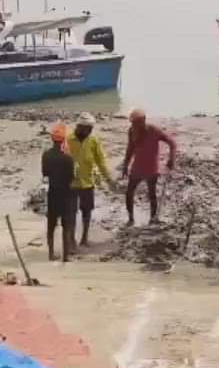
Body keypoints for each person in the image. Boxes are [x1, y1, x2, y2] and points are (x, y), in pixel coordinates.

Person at [121, 109, 177, 226]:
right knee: (129, 193)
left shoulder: (154, 130)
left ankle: (152, 219)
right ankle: (131, 219)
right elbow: (130, 149)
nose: (134, 125)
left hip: (151, 169)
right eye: (132, 123)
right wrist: (125, 165)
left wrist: (171, 159)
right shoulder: (131, 131)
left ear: (143, 120)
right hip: (137, 168)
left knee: (152, 194)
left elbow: (172, 142)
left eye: (136, 123)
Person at [68, 113, 115, 247]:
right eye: (87, 128)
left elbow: (101, 162)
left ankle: (84, 238)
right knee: (71, 211)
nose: (89, 131)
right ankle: (71, 239)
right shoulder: (68, 140)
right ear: (79, 127)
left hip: (88, 182)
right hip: (70, 183)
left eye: (91, 128)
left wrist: (108, 179)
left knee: (86, 211)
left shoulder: (93, 141)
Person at [41, 122, 76, 262]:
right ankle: (66, 256)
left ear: (52, 139)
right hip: (66, 193)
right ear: (64, 140)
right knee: (66, 225)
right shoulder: (68, 158)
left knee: (51, 224)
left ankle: (51, 254)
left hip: (53, 192)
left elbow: (45, 173)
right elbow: (72, 177)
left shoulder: (46, 155)